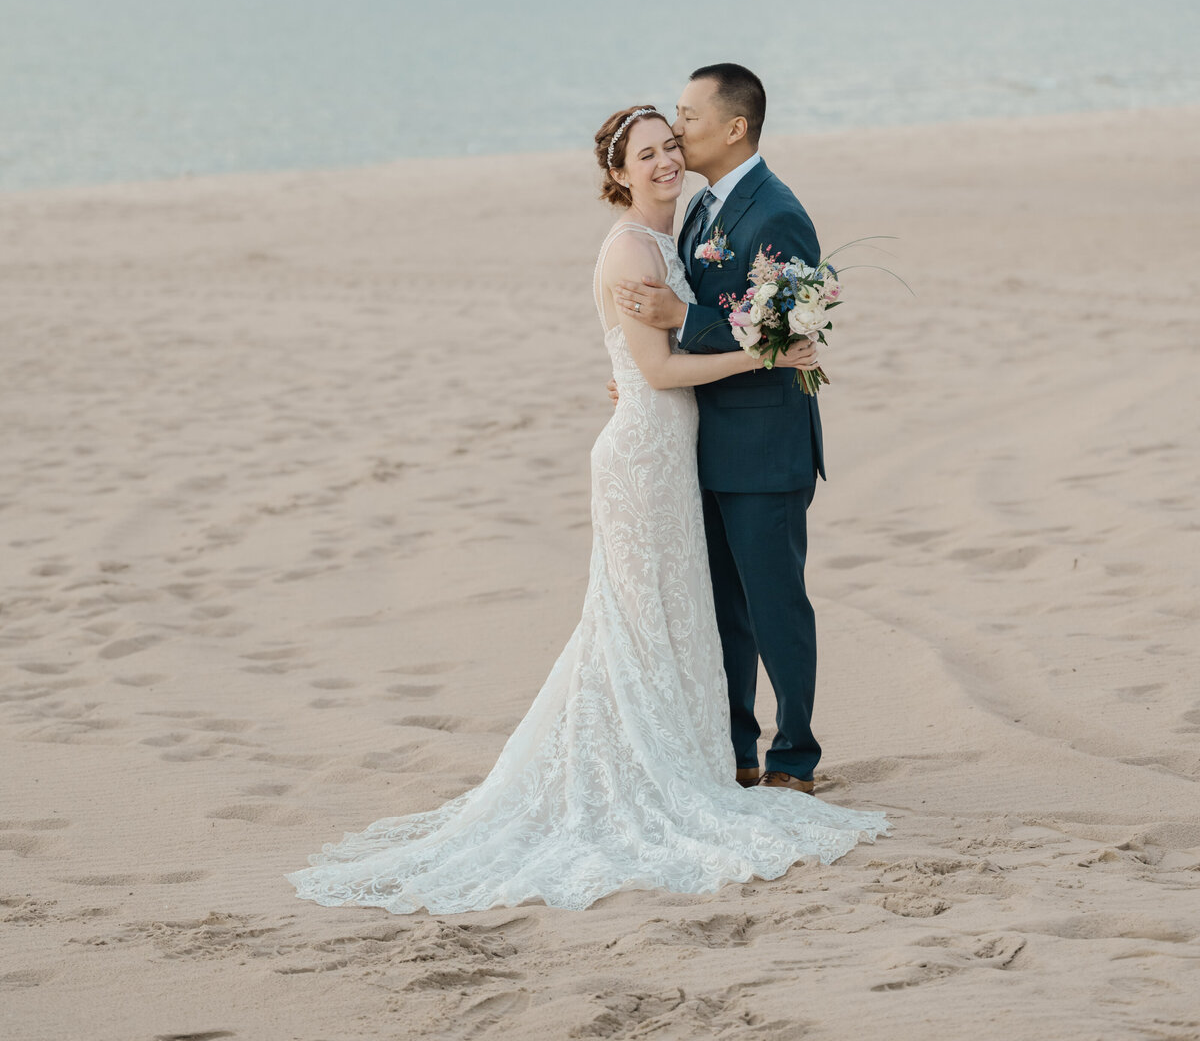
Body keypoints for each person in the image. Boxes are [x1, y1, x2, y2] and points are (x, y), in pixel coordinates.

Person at [287, 104, 885, 916]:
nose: (668, 158)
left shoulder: (689, 230)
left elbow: (664, 350)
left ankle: (748, 756)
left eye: (674, 143)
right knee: (639, 621)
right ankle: (674, 764)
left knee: (686, 614)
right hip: (647, 455)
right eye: (649, 153)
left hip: (683, 449)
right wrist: (757, 352)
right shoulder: (635, 248)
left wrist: (658, 362)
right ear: (618, 173)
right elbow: (662, 366)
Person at [612, 65, 828, 793]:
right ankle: (736, 749)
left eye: (688, 117)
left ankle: (794, 757)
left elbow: (785, 327)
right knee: (723, 613)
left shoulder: (776, 212)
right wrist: (646, 369)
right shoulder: (701, 209)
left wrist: (681, 322)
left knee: (776, 609)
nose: (677, 133)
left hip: (765, 450)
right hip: (700, 440)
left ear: (735, 128)